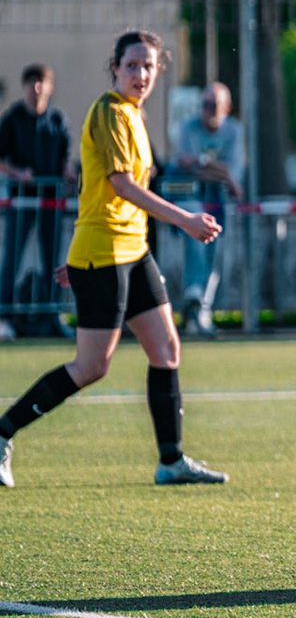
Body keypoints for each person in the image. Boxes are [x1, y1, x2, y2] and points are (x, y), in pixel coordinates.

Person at [0, 31, 227, 489]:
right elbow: (121, 185)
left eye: (149, 66)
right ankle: (2, 432)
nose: (141, 74)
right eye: (132, 65)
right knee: (91, 367)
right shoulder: (107, 111)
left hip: (131, 251)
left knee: (166, 350)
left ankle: (171, 460)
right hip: (103, 253)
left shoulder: (136, 115)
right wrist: (184, 220)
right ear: (116, 68)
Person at [0, 63, 74, 338]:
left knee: (54, 261)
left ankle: (52, 314)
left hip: (51, 203)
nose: (37, 88)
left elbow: (66, 158)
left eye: (41, 82)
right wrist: (19, 173)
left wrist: (68, 173)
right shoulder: (13, 118)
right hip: (22, 203)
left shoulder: (57, 120)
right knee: (12, 259)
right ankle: (4, 317)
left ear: (50, 87)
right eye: (32, 82)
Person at [170, 82, 245, 337]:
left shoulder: (234, 130)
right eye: (205, 105)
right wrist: (217, 168)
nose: (209, 110)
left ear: (227, 107)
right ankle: (193, 295)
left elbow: (230, 170)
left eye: (215, 105)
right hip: (191, 198)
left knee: (216, 255)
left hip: (218, 200)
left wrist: (204, 165)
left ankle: (201, 309)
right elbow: (183, 161)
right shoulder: (188, 127)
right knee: (196, 236)